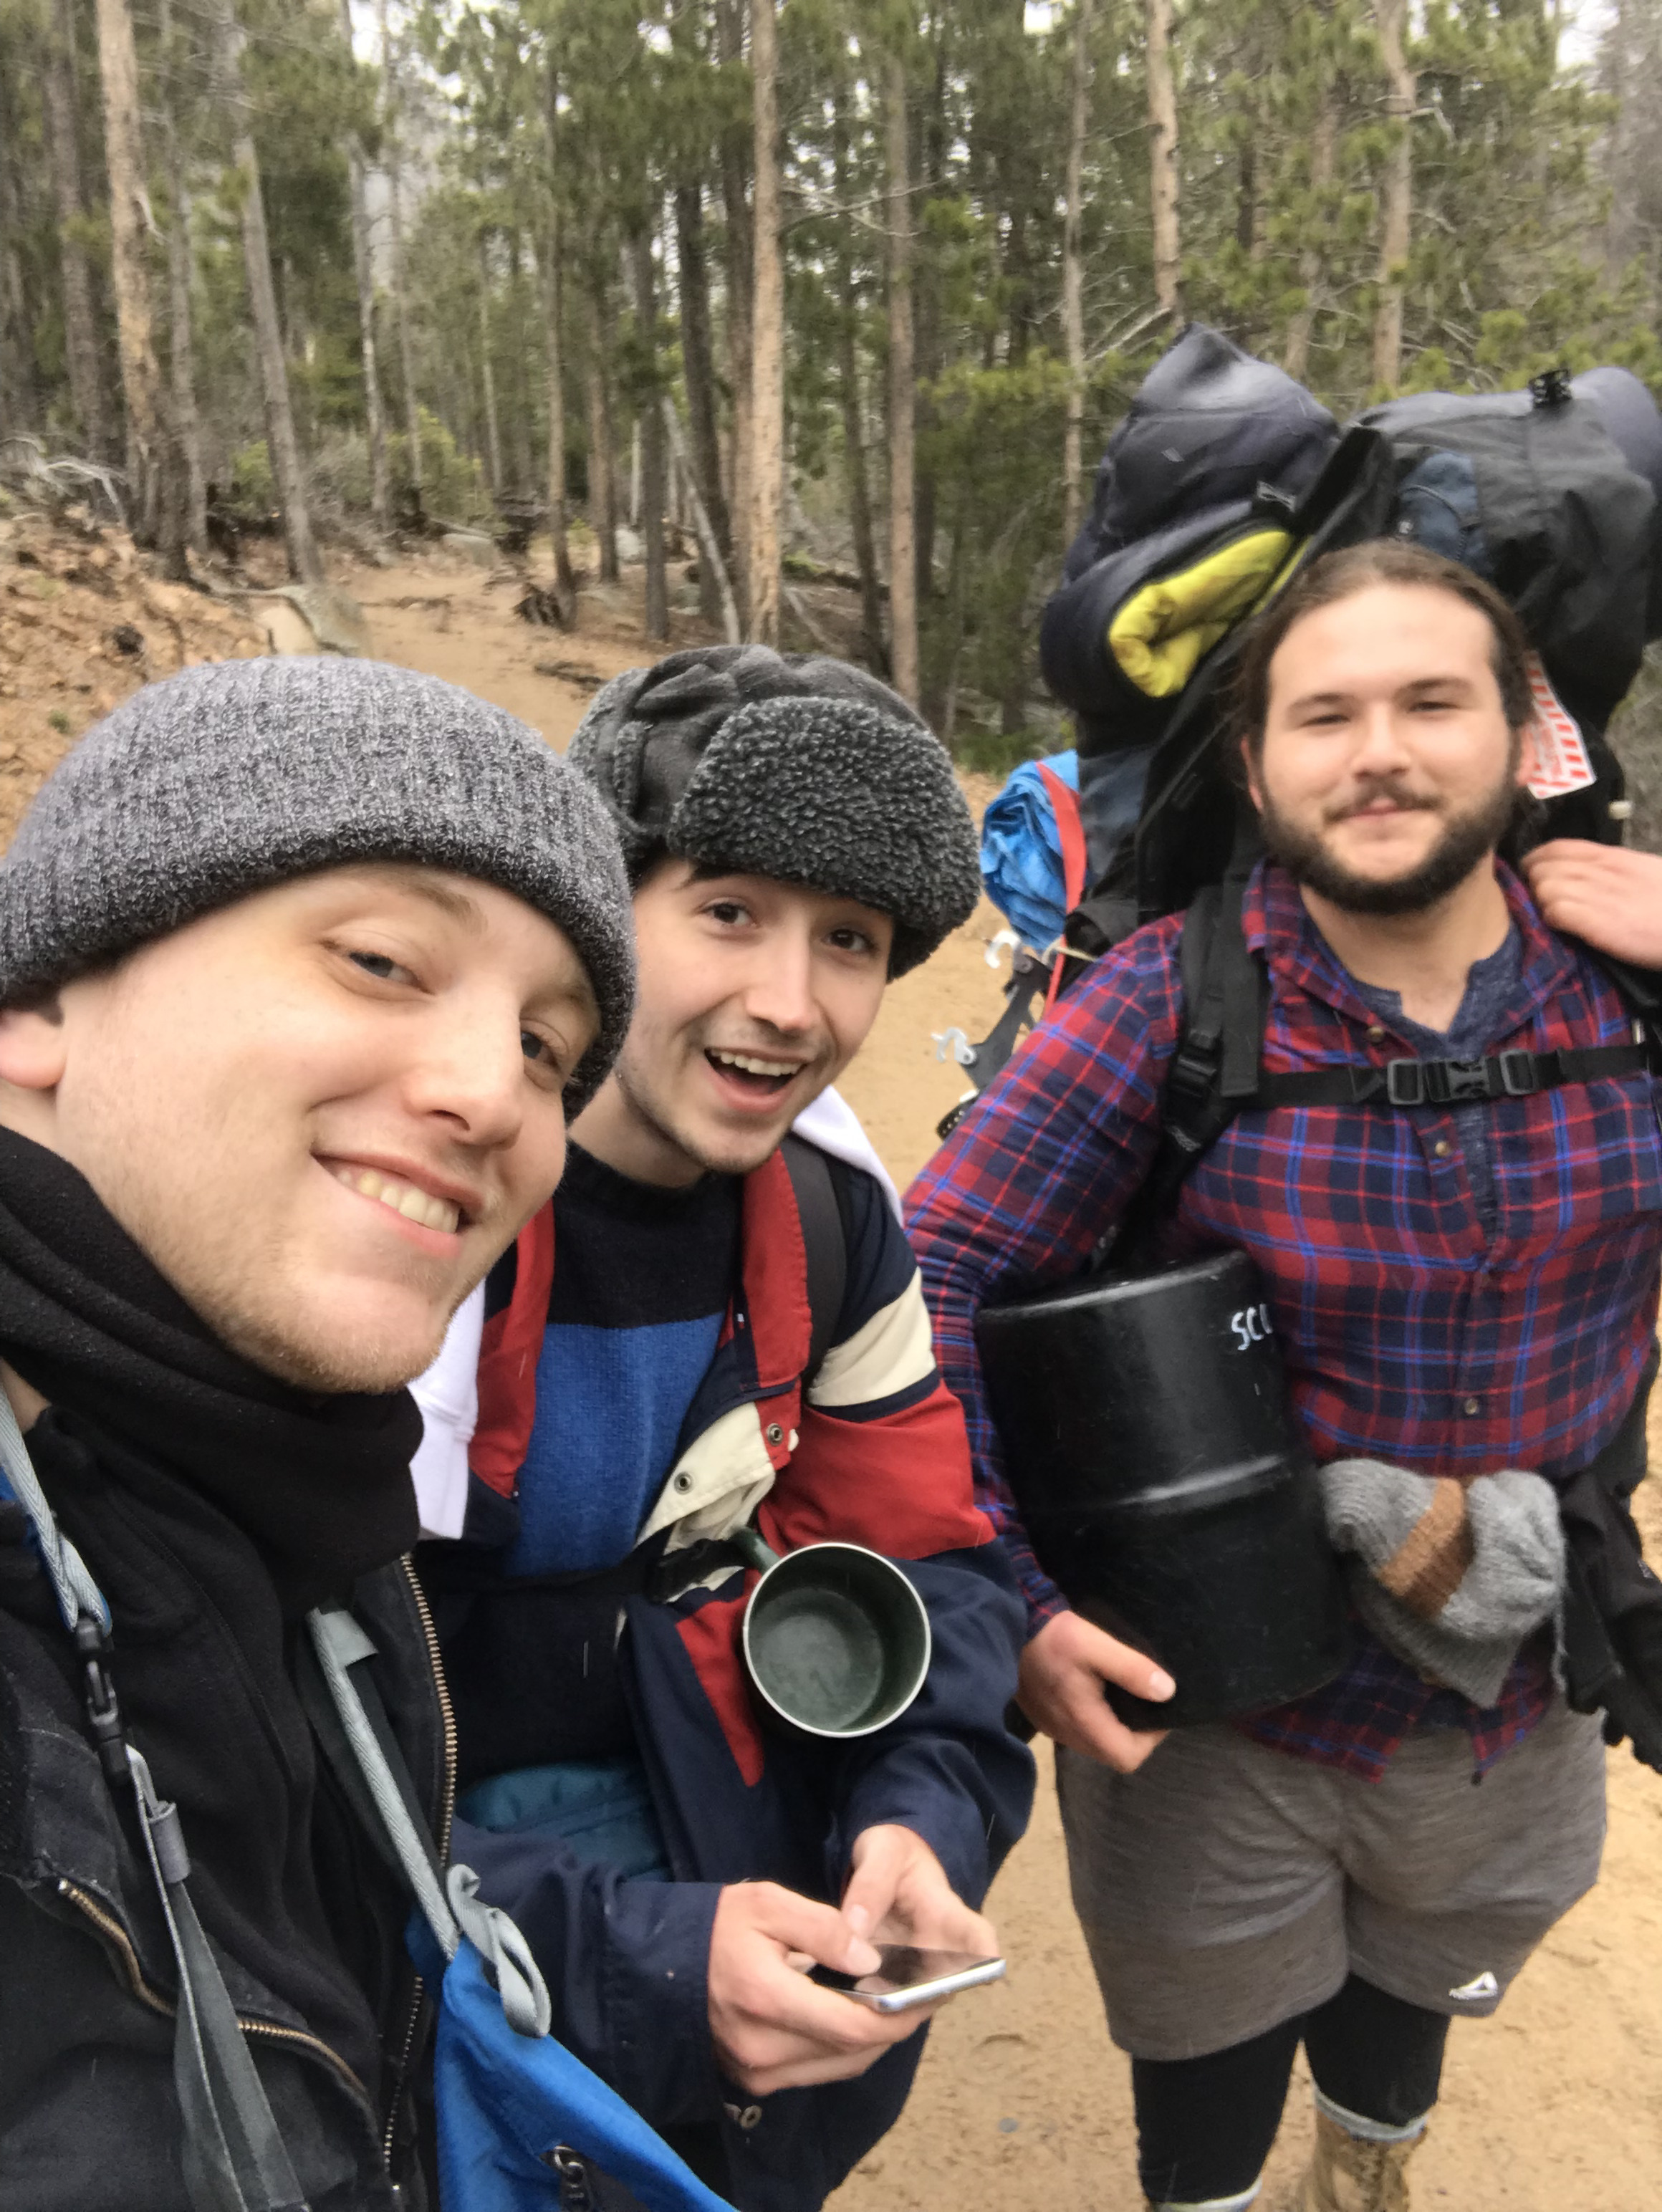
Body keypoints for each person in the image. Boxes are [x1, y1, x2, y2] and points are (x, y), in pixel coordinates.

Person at [907, 540, 1662, 2212]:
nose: (1376, 747)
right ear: (1252, 765)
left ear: (1522, 733)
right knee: (1206, 2054)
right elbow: (935, 1272)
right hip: (1216, 1706)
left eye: (1426, 700)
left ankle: (1367, 2165)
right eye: (1322, 713)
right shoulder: (1164, 1001)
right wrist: (1009, 1594)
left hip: (1511, 1684)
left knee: (1414, 1994)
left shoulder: (1629, 979)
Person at [0, 655, 636, 2210]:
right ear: (36, 1004)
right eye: (378, 959)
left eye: (551, 1048)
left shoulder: (278, 1501)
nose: (496, 1094)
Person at [415, 645, 1034, 2212]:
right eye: (728, 909)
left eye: (848, 937)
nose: (787, 1001)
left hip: (722, 1874)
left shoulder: (832, 1226)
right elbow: (251, 1737)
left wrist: (916, 1819)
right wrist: (633, 1956)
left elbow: (929, 1565)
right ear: (593, 906)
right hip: (433, 1926)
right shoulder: (415, 1196)